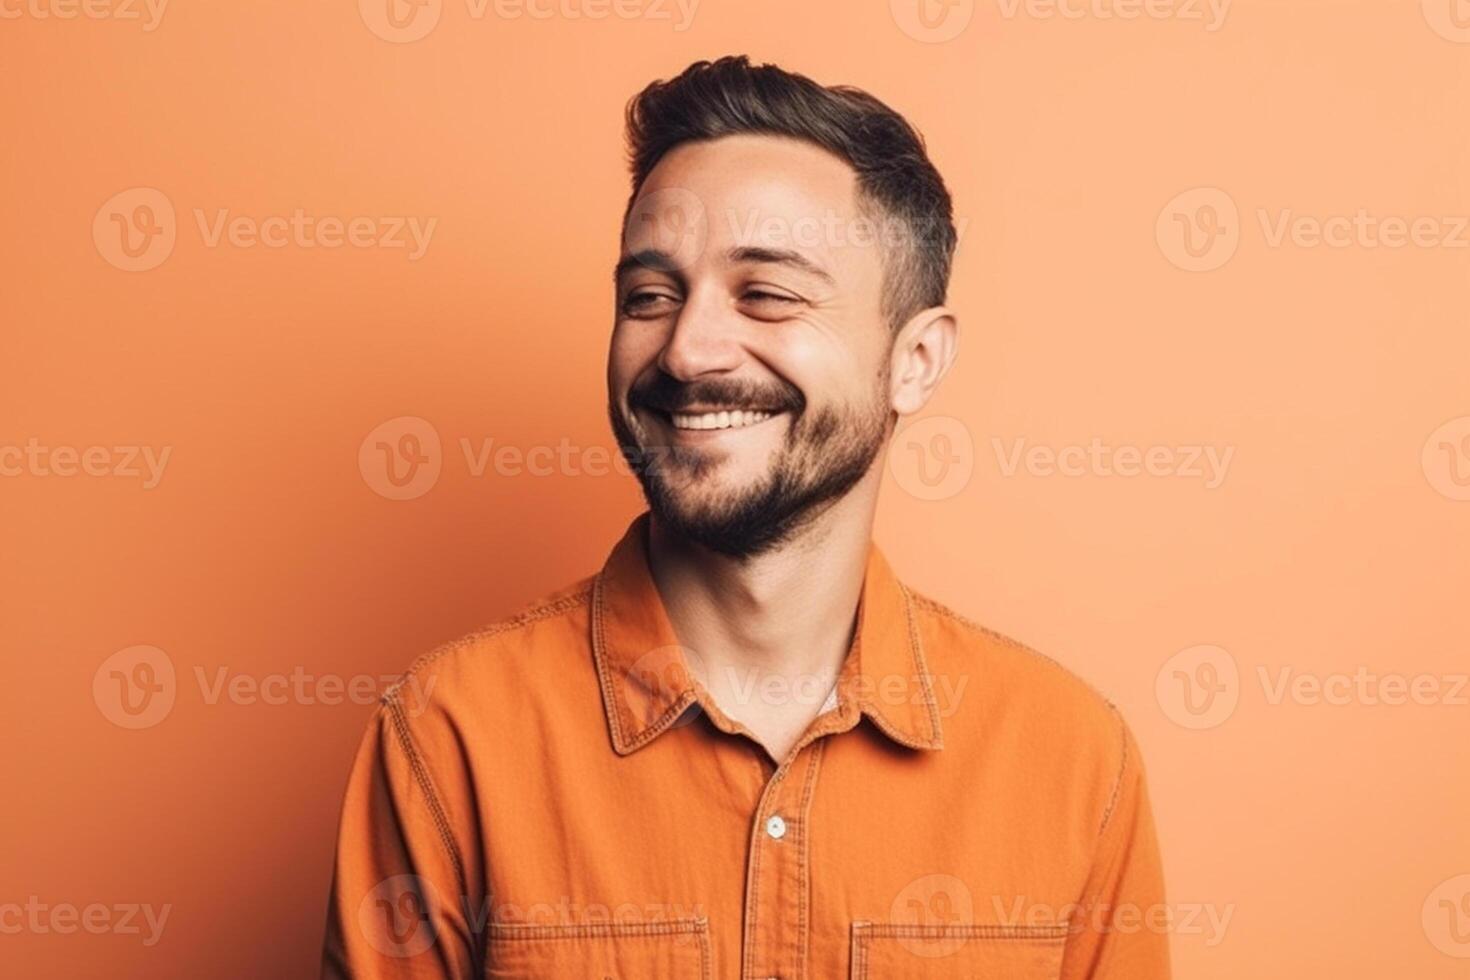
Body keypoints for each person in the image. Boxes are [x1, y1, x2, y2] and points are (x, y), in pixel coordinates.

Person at [322, 55, 1170, 979]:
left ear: (915, 359)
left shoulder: (1072, 761)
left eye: (766, 294)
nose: (686, 350)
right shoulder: (450, 738)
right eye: (649, 298)